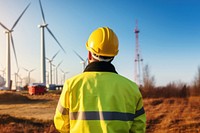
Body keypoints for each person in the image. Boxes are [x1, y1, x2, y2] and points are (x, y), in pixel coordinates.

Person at [54, 27, 146, 133]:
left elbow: (61, 124)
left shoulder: (71, 85)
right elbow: (139, 128)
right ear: (114, 56)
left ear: (89, 54)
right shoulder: (132, 88)